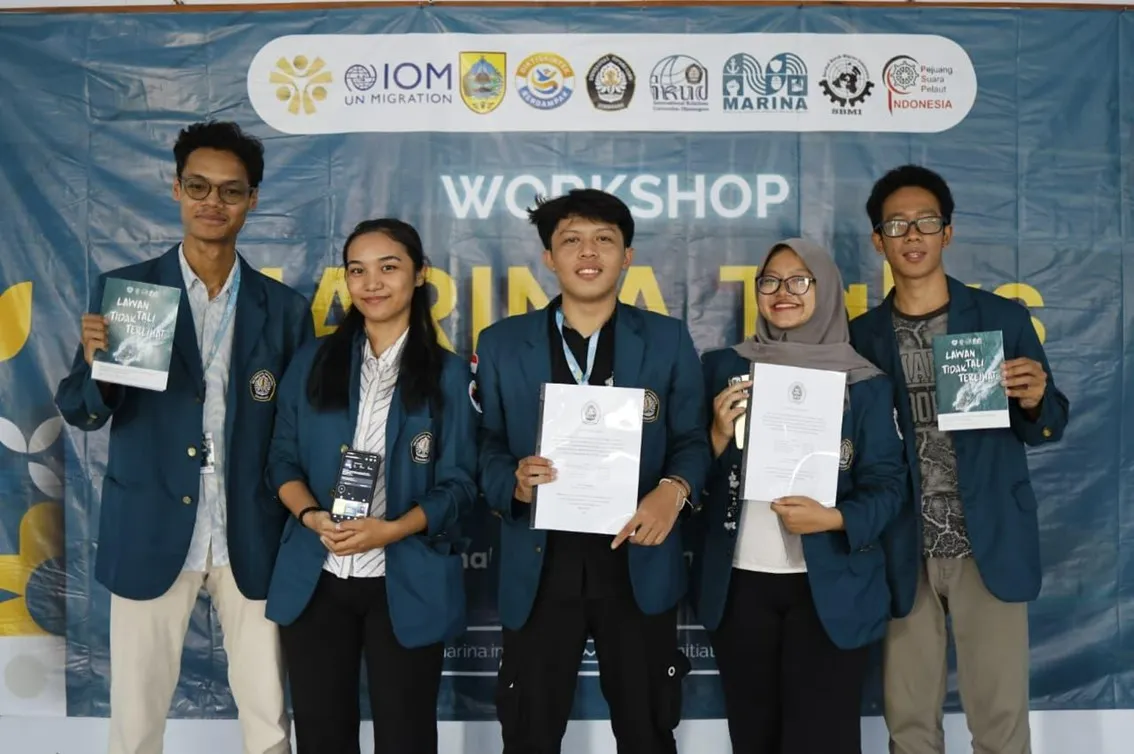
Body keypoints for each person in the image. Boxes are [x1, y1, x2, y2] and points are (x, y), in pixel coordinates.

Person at [54, 121, 313, 754]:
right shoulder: (132, 293)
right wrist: (97, 367)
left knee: (269, 717)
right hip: (149, 523)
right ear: (176, 189)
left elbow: (299, 428)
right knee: (135, 721)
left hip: (251, 529)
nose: (212, 202)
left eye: (230, 190)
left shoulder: (284, 309)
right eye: (198, 186)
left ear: (252, 199)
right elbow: (83, 413)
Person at [474, 188, 711, 754]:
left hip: (637, 561)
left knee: (647, 731)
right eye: (571, 240)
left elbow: (693, 441)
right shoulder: (501, 343)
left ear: (627, 256)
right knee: (529, 733)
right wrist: (512, 481)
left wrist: (674, 490)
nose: (588, 252)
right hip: (541, 564)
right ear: (549, 257)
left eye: (604, 239)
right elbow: (481, 446)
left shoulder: (667, 339)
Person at [850, 164, 1070, 754]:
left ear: (947, 232)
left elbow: (1050, 422)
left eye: (926, 222)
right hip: (903, 547)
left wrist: (1035, 399)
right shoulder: (860, 337)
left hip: (986, 540)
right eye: (897, 224)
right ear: (878, 240)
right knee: (909, 726)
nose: (912, 235)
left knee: (1000, 724)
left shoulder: (1001, 319)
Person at [263, 219, 477, 754]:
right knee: (322, 736)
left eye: (389, 267)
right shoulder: (313, 361)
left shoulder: (450, 375)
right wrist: (312, 517)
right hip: (318, 574)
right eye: (357, 271)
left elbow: (460, 485)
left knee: (406, 737)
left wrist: (393, 529)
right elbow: (281, 460)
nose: (372, 283)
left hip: (404, 576)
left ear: (420, 274)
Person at [693, 238, 907, 754]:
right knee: (754, 737)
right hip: (740, 584)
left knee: (822, 740)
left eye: (799, 281)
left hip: (828, 588)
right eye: (769, 281)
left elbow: (888, 485)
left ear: (825, 289)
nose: (782, 292)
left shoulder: (866, 384)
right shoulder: (723, 368)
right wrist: (715, 437)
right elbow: (686, 472)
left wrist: (834, 519)